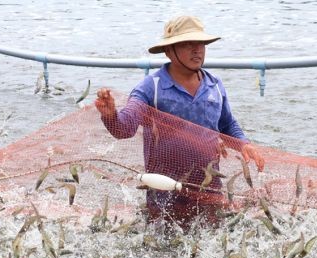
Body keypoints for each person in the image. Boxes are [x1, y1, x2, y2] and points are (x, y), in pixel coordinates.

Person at [95, 15, 263, 228]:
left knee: (212, 238)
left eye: (200, 44)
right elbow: (125, 129)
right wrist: (110, 115)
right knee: (165, 242)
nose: (197, 50)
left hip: (209, 183)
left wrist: (243, 144)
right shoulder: (151, 88)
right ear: (169, 51)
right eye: (187, 44)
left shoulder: (215, 85)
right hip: (164, 187)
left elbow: (227, 125)